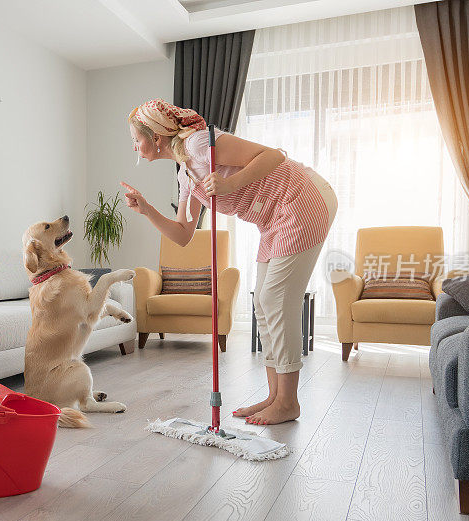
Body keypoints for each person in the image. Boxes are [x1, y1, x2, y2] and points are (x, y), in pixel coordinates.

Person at [121, 98, 337, 425]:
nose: (134, 146)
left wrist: (230, 183)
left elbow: (274, 155)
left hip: (301, 198)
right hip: (273, 218)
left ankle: (288, 402)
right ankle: (275, 396)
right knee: (263, 305)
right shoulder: (185, 176)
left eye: (136, 139)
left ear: (156, 137)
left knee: (276, 299)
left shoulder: (199, 143)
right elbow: (182, 234)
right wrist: (147, 208)